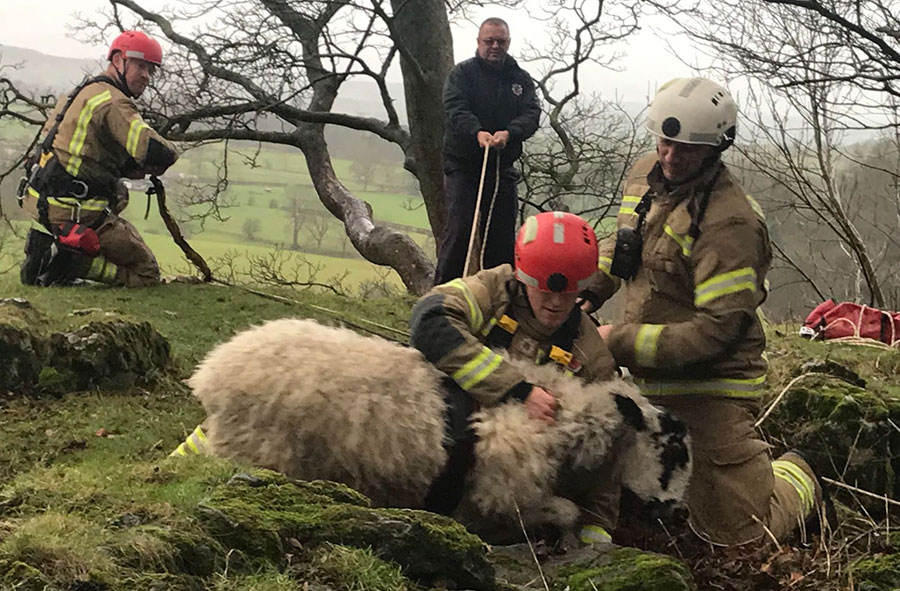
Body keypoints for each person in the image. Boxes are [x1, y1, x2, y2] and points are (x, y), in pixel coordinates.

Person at [582, 77, 825, 546]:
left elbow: (717, 330)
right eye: (665, 142)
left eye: (687, 150)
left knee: (738, 537)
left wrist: (617, 341)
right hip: (647, 373)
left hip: (711, 384)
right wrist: (590, 287)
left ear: (716, 147)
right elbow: (629, 245)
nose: (671, 157)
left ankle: (799, 479)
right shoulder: (645, 173)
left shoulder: (730, 224)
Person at [411, 211, 620, 546]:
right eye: (543, 289)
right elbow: (429, 320)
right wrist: (516, 391)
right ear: (522, 276)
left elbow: (606, 451)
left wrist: (597, 529)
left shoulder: (591, 354)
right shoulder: (492, 289)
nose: (554, 304)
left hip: (507, 492)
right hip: (442, 446)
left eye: (567, 294)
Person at [19, 30, 178, 287]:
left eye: (151, 70)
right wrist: (170, 153)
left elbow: (83, 153)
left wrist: (126, 168)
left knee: (120, 195)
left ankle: (59, 251)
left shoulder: (80, 92)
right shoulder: (114, 102)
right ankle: (64, 264)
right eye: (140, 66)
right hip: (75, 211)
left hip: (42, 201)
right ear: (118, 60)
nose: (146, 76)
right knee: (146, 272)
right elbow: (152, 149)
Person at [435, 17, 541, 285]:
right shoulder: (462, 75)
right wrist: (477, 132)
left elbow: (531, 114)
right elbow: (455, 109)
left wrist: (510, 134)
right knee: (460, 233)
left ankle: (500, 303)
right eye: (489, 41)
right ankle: (439, 300)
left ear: (508, 43)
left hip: (501, 167)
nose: (495, 46)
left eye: (500, 41)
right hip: (463, 167)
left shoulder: (520, 79)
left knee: (503, 240)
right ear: (478, 42)